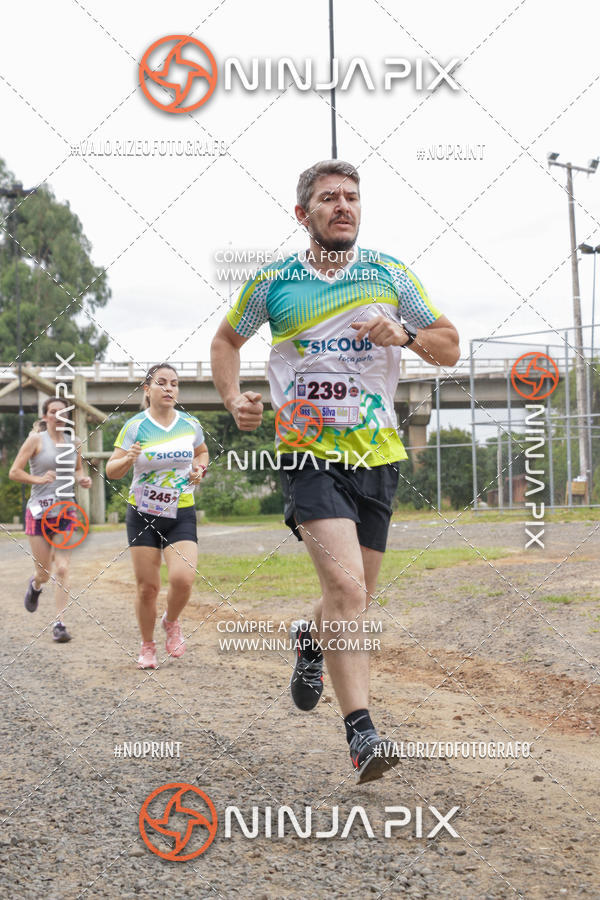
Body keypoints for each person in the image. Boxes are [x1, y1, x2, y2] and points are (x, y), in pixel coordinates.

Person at [211, 159, 460, 783]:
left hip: (377, 455)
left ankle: (309, 637)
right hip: (308, 453)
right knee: (348, 594)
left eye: (351, 196)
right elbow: (226, 342)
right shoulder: (273, 282)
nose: (343, 205)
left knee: (353, 597)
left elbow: (450, 347)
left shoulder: (390, 274)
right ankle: (362, 734)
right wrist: (234, 398)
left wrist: (403, 335)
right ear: (304, 214)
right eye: (328, 198)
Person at [106, 363, 209, 669]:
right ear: (147, 389)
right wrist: (128, 458)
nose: (169, 388)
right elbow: (111, 470)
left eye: (174, 383)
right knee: (147, 588)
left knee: (183, 579)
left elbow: (202, 452)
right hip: (142, 514)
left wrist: (200, 468)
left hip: (181, 511)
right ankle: (147, 645)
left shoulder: (190, 424)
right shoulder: (135, 426)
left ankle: (171, 621)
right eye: (161, 382)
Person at [9, 397, 92, 642]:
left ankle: (59, 623)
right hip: (38, 512)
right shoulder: (35, 440)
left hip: (65, 511)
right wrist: (38, 479)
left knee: (63, 567)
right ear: (45, 416)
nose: (58, 415)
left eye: (63, 412)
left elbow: (77, 469)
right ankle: (35, 585)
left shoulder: (74, 442)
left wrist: (82, 479)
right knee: (44, 573)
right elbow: (14, 472)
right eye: (53, 411)